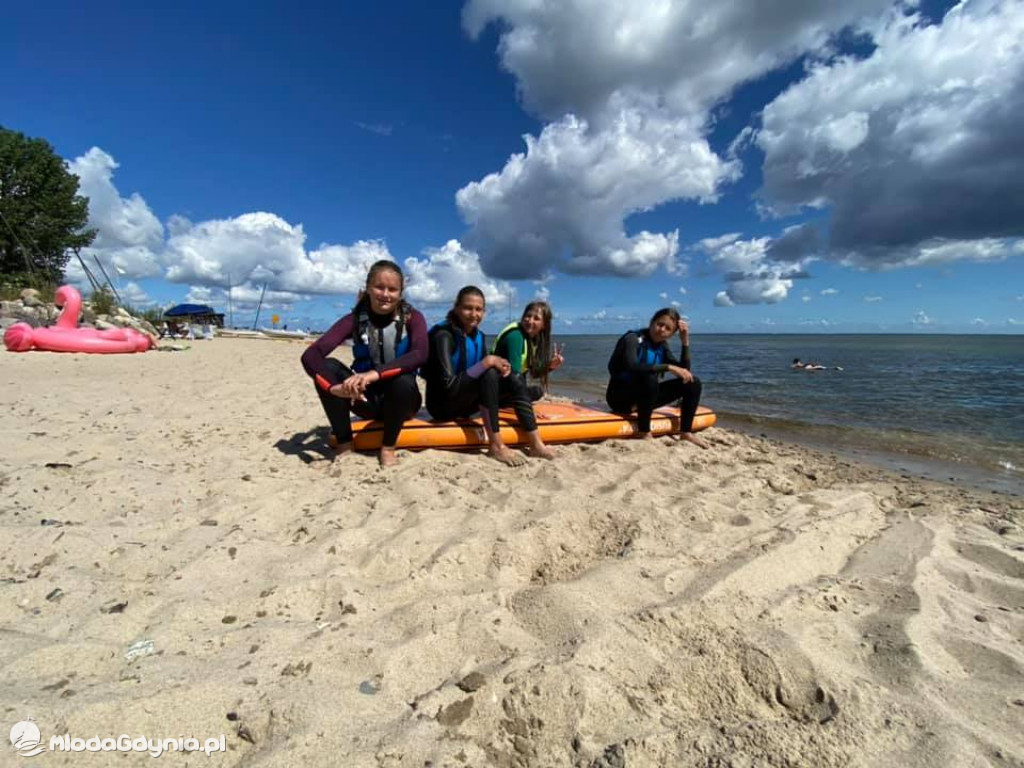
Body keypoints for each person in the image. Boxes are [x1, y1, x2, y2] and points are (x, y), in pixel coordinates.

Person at [301, 260, 427, 467]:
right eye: (379, 287)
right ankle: (344, 444)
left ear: (401, 293)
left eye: (392, 289)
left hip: (402, 403)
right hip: (364, 400)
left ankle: (388, 448)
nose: (385, 294)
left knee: (403, 379)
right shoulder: (354, 319)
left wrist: (373, 374)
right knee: (329, 366)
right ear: (368, 288)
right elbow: (311, 355)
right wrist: (334, 388)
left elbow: (420, 354)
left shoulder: (413, 318)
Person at [421, 286, 555, 466]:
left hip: (465, 403)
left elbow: (481, 374)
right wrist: (487, 363)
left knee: (511, 376)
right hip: (442, 406)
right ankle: (496, 445)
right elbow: (448, 385)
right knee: (490, 371)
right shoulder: (444, 336)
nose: (473, 314)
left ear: (484, 311)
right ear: (456, 308)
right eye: (468, 308)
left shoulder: (479, 336)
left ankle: (536, 443)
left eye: (478, 309)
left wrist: (503, 369)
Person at [606, 308, 708, 448]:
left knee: (692, 382)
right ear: (651, 322)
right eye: (659, 324)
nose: (662, 330)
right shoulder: (633, 339)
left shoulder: (662, 346)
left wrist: (685, 342)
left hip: (644, 399)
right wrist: (668, 367)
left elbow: (685, 372)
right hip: (619, 398)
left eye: (668, 328)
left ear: (672, 334)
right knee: (649, 377)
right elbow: (632, 365)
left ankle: (686, 432)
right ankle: (644, 432)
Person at [492, 301, 565, 401]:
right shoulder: (516, 336)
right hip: (495, 388)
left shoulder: (532, 340)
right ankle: (507, 402)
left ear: (544, 325)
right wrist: (527, 413)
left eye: (536, 318)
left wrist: (550, 365)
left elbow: (534, 373)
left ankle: (511, 400)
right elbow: (514, 377)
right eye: (528, 316)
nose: (530, 321)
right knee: (534, 390)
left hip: (507, 387)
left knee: (537, 392)